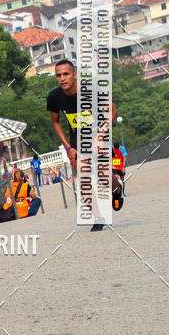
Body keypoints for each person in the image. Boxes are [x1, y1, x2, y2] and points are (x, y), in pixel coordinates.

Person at [47, 59, 117, 231]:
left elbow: (112, 111)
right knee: (83, 180)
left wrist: (100, 136)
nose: (62, 78)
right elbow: (55, 122)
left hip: (98, 135)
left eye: (66, 74)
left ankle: (117, 188)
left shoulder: (90, 89)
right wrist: (68, 148)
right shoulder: (54, 96)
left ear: (75, 75)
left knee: (104, 177)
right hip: (77, 141)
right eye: (58, 75)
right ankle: (98, 218)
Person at [111, 141, 126, 210]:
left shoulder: (120, 151)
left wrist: (123, 167)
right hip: (114, 168)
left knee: (122, 180)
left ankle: (122, 193)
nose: (116, 150)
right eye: (115, 148)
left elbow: (122, 160)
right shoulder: (111, 151)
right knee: (116, 180)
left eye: (117, 148)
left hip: (119, 167)